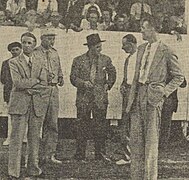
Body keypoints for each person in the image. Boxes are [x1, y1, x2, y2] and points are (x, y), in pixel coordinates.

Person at [126, 17, 184, 180]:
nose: (141, 31)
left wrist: (164, 92)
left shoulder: (167, 50)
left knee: (151, 144)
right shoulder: (141, 48)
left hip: (154, 99)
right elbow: (137, 74)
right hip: (138, 96)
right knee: (136, 142)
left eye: (143, 27)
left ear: (152, 29)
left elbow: (179, 77)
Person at [8, 32, 51, 179]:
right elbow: (18, 83)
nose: (26, 45)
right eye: (24, 42)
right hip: (19, 104)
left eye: (29, 43)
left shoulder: (40, 60)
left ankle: (33, 168)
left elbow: (45, 83)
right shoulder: (13, 62)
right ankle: (14, 171)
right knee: (16, 138)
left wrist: (30, 85)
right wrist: (35, 81)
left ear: (34, 44)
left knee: (34, 138)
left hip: (36, 104)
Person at [70, 33, 116, 161]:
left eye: (100, 47)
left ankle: (100, 154)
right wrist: (83, 83)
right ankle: (80, 154)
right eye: (97, 47)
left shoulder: (106, 60)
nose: (100, 49)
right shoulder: (78, 60)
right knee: (81, 126)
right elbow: (73, 78)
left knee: (100, 126)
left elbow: (112, 73)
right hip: (83, 98)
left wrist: (108, 84)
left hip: (99, 98)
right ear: (90, 47)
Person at [35, 28, 64, 165]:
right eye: (48, 38)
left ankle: (49, 154)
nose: (51, 41)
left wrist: (60, 77)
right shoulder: (35, 53)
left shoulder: (54, 53)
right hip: (40, 90)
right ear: (42, 38)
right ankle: (35, 155)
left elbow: (58, 68)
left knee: (52, 123)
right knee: (37, 123)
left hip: (53, 89)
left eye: (53, 38)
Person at [116, 34, 137, 165]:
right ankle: (127, 154)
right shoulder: (129, 59)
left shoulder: (140, 58)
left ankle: (132, 155)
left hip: (136, 92)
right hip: (128, 92)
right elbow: (127, 78)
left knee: (132, 123)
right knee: (125, 122)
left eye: (125, 44)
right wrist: (123, 85)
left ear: (132, 43)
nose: (122, 47)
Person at [1, 42, 22, 146]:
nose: (14, 52)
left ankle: (24, 137)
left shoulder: (25, 62)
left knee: (23, 115)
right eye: (12, 50)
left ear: (21, 50)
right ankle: (10, 138)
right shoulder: (6, 63)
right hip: (10, 93)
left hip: (23, 93)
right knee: (11, 117)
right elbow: (3, 79)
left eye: (17, 49)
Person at [159, 78, 187, 150]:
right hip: (162, 100)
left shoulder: (173, 71)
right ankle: (161, 146)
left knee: (165, 125)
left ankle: (162, 147)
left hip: (168, 101)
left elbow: (183, 84)